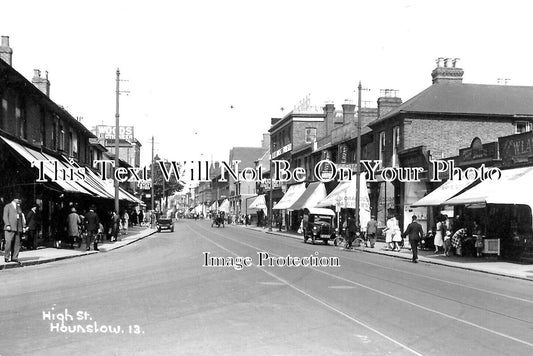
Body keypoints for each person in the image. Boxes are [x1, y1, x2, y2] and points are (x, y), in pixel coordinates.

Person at [3, 197, 25, 263]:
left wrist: (23, 227)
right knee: (8, 243)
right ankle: (6, 257)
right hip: (10, 228)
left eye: (19, 198)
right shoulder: (8, 206)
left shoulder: (19, 208)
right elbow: (5, 216)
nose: (19, 200)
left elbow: (21, 218)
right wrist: (7, 224)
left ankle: (14, 257)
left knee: (17, 244)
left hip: (18, 228)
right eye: (17, 198)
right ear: (13, 199)